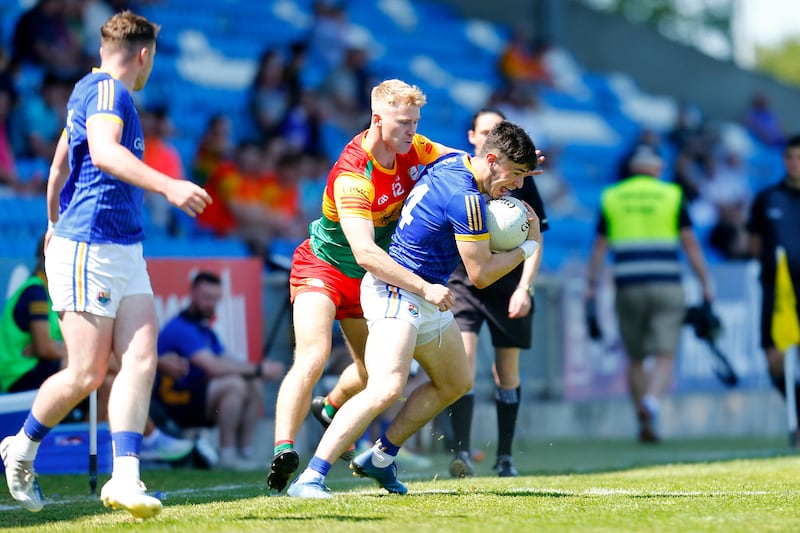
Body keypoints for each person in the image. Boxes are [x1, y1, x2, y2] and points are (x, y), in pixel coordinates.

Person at [1, 11, 211, 518]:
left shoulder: (95, 93)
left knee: (140, 358)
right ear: (144, 55)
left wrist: (51, 219)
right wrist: (169, 184)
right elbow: (100, 153)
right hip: (90, 246)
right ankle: (21, 449)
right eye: (152, 58)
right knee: (86, 374)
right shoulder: (106, 92)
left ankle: (125, 478)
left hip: (124, 247)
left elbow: (57, 166)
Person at [286, 120, 541, 498]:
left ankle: (382, 457)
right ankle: (311, 477)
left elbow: (478, 173)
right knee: (386, 386)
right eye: (516, 175)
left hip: (426, 293)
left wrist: (510, 172)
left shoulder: (452, 163)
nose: (519, 186)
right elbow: (482, 274)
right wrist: (527, 247)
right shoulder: (466, 198)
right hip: (397, 290)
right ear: (491, 160)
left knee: (456, 381)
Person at [267, 79, 456, 492]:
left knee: (373, 374)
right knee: (313, 356)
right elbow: (365, 251)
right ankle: (283, 448)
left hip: (369, 279)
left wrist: (502, 163)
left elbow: (460, 163)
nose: (412, 130)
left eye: (415, 122)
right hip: (325, 266)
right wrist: (424, 288)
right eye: (404, 122)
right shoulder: (353, 174)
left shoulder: (414, 148)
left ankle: (330, 406)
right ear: (377, 119)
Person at [585, 146, 712, 443]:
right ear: (657, 167)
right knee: (665, 353)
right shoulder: (672, 195)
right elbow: (690, 243)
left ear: (632, 168)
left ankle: (644, 424)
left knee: (636, 357)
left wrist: (591, 284)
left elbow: (600, 247)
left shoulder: (612, 196)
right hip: (667, 283)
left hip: (628, 285)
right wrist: (705, 282)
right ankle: (652, 401)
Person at [445, 108, 548, 478]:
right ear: (474, 137)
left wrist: (525, 288)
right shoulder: (459, 175)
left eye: (499, 128)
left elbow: (537, 238)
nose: (492, 133)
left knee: (507, 372)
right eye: (486, 129)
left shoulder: (522, 181)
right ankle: (461, 453)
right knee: (464, 366)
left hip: (508, 285)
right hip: (465, 282)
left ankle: (505, 456)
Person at [153, 271, 285, 470]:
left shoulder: (206, 331)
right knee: (234, 384)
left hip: (196, 397)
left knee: (251, 382)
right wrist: (259, 369)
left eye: (215, 299)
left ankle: (245, 453)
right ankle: (227, 454)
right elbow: (213, 366)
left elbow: (227, 359)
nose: (210, 304)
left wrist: (257, 372)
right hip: (173, 401)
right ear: (193, 294)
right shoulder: (180, 328)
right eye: (206, 298)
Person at [745, 133, 800, 436]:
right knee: (774, 359)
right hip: (776, 290)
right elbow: (754, 243)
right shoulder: (767, 198)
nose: (795, 164)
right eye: (791, 157)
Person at [0, 235, 65, 394]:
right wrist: (66, 349)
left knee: (107, 381)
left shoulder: (48, 291)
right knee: (85, 364)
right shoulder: (35, 292)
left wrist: (53, 347)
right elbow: (44, 349)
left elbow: (48, 346)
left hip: (34, 365)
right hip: (19, 373)